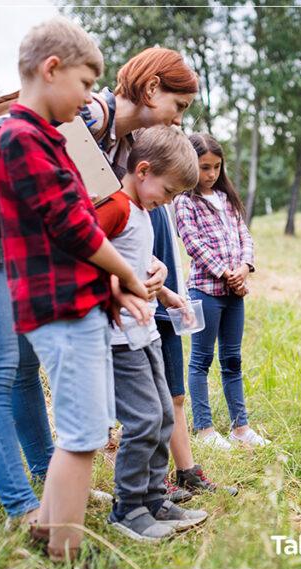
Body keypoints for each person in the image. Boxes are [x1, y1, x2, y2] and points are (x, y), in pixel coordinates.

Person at [0, 17, 150, 560]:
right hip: (58, 310)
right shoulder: (22, 138)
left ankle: (51, 529)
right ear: (51, 68)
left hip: (76, 304)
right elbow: (74, 226)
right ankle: (67, 551)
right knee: (82, 438)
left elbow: (72, 228)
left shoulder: (45, 137)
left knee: (82, 430)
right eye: (85, 84)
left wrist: (110, 288)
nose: (89, 98)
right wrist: (126, 273)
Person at [82, 47, 236, 495]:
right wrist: (121, 276)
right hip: (115, 311)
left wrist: (154, 274)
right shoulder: (91, 121)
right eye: (180, 108)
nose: (180, 122)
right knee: (142, 407)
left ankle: (174, 476)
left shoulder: (135, 149)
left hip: (145, 298)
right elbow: (85, 229)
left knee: (165, 390)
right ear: (152, 89)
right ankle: (137, 495)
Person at [94, 126, 209, 542]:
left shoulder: (142, 211)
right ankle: (127, 508)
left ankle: (154, 497)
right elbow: (86, 254)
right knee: (143, 420)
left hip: (145, 333)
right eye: (170, 191)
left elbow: (139, 264)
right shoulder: (115, 207)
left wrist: (171, 294)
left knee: (162, 414)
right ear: (143, 170)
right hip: (117, 337)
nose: (170, 201)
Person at [174, 133, 267, 449]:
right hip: (205, 291)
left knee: (233, 359)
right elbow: (193, 244)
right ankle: (204, 429)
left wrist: (244, 268)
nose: (211, 174)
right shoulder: (185, 202)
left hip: (234, 294)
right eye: (204, 167)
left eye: (216, 167)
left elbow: (245, 237)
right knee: (201, 359)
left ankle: (241, 428)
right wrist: (224, 272)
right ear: (190, 165)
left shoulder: (227, 200)